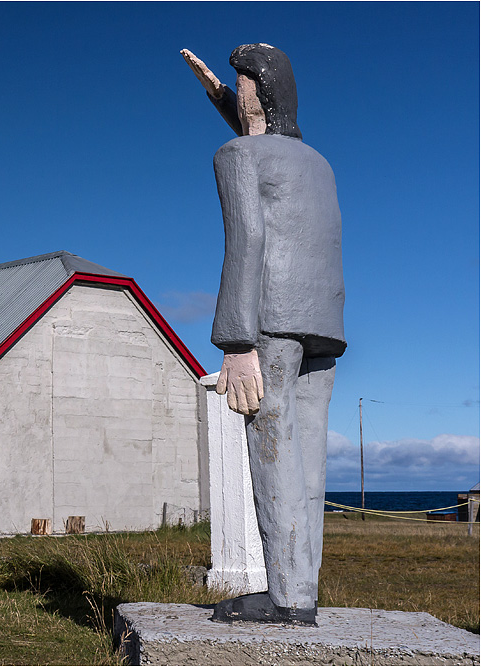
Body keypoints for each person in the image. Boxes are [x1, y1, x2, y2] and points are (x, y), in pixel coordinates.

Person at [182, 43, 346, 625]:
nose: (238, 87)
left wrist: (236, 341)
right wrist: (218, 96)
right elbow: (270, 141)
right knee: (311, 464)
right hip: (324, 323)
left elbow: (245, 241)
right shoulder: (318, 163)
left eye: (241, 80)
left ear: (259, 89)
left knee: (272, 450)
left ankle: (289, 600)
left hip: (271, 321)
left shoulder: (235, 156)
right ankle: (303, 589)